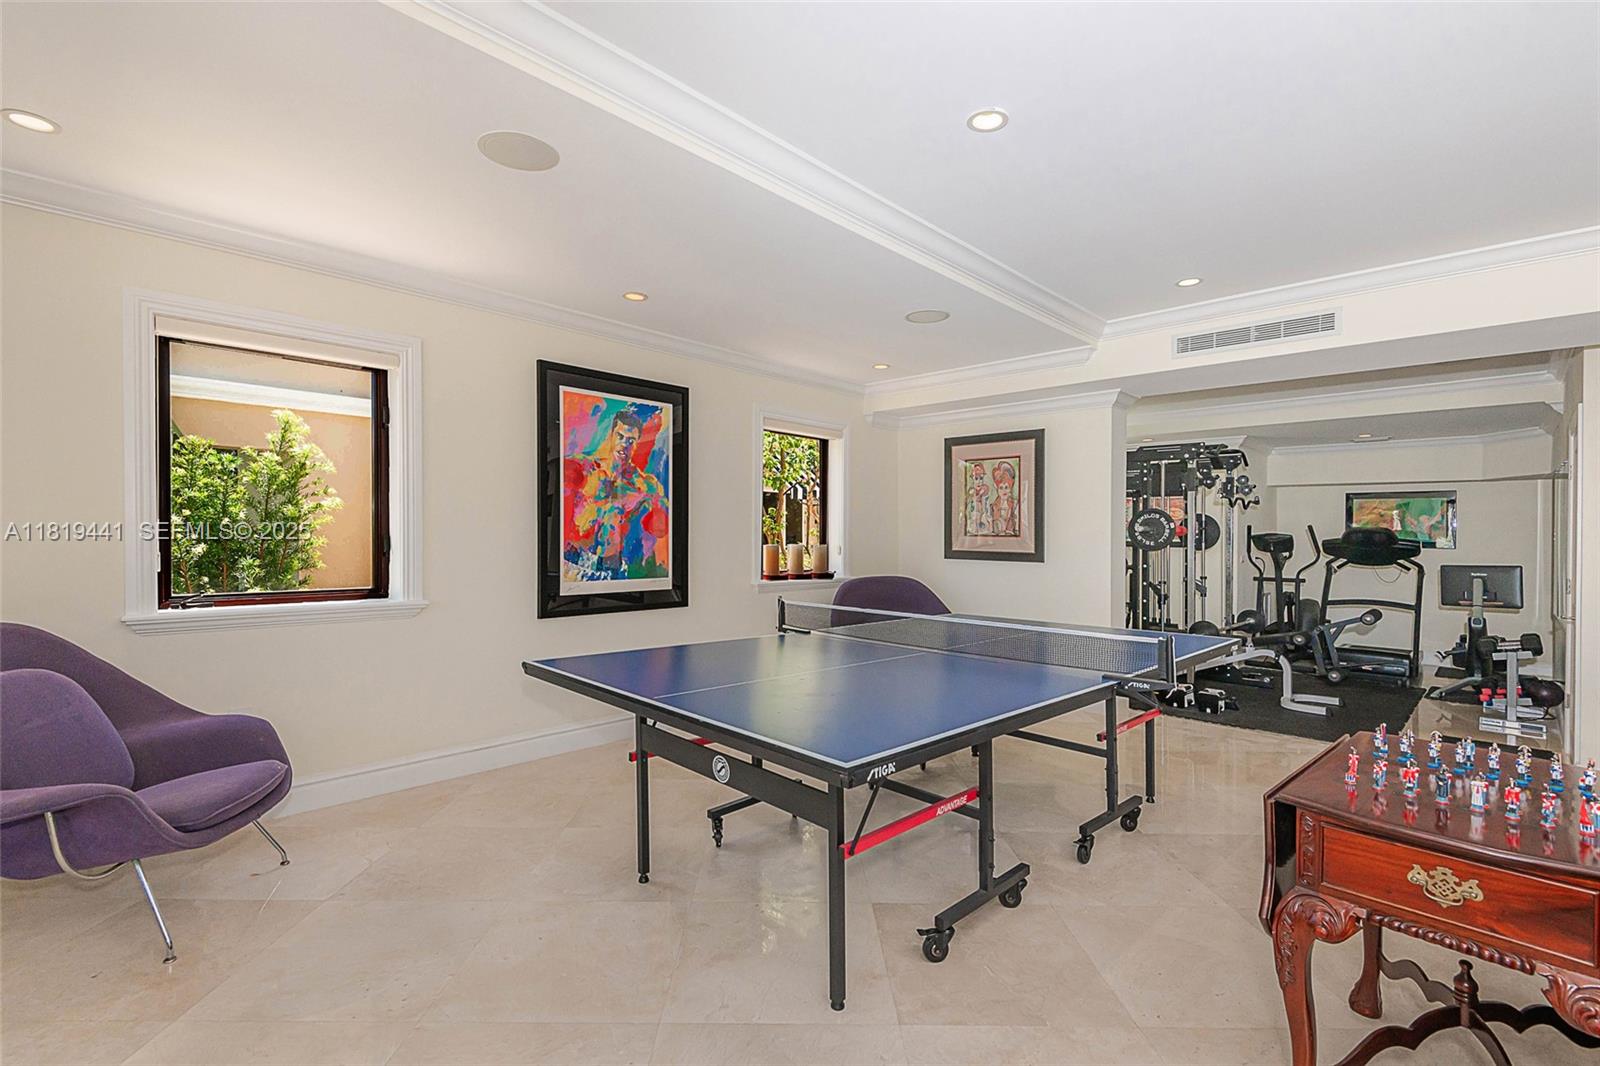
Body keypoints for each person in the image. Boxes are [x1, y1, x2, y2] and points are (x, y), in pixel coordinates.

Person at [563, 407, 669, 581]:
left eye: (631, 440)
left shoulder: (644, 485)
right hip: (575, 561)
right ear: (611, 435)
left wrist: (657, 502)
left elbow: (660, 530)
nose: (624, 445)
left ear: (637, 443)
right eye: (620, 437)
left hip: (613, 568)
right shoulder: (587, 469)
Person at [989, 460, 1020, 536]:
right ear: (997, 488)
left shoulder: (1015, 506)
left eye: (1006, 487)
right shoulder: (993, 507)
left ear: (1010, 488)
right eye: (1001, 488)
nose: (1004, 491)